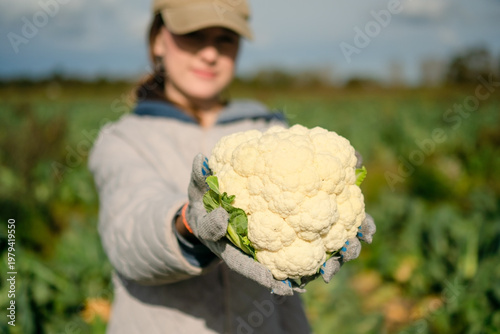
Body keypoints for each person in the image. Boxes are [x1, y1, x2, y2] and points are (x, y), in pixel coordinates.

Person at [88, 0, 375, 333]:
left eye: (225, 38)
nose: (210, 53)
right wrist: (188, 224)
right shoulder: (124, 139)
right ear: (157, 39)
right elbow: (129, 236)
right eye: (193, 34)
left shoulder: (269, 129)